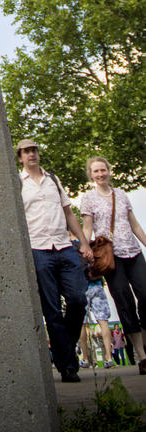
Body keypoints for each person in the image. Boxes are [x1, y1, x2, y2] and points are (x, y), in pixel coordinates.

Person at [16, 138, 94, 382]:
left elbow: (68, 212)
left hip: (64, 246)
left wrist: (82, 242)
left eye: (34, 150)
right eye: (26, 152)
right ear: (20, 157)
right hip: (39, 249)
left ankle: (64, 348)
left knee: (78, 299)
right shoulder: (18, 182)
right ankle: (67, 366)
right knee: (51, 310)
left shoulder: (53, 180)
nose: (32, 155)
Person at [80, 155, 146, 374]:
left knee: (144, 295)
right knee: (124, 301)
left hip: (133, 251)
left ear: (109, 171)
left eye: (103, 170)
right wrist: (85, 248)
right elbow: (87, 228)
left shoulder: (121, 195)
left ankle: (143, 342)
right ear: (91, 175)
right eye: (96, 171)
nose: (100, 174)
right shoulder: (88, 198)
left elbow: (134, 224)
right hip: (110, 256)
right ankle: (142, 356)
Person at [78, 277, 115, 368]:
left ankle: (85, 358)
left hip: (81, 286)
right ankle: (109, 358)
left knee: (81, 323)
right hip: (97, 284)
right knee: (103, 322)